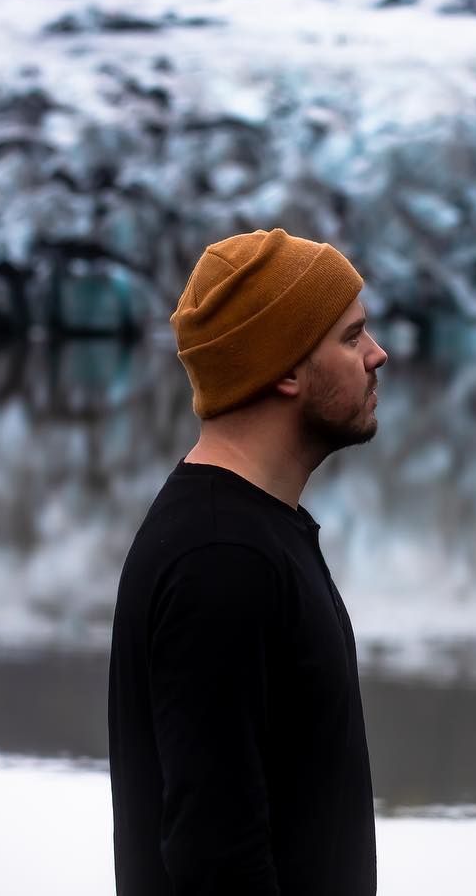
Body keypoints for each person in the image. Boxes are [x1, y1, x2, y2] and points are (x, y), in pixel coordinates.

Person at [108, 227, 388, 896]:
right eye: (351, 338)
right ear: (285, 370)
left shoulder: (248, 535)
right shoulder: (220, 563)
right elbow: (216, 859)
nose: (378, 354)